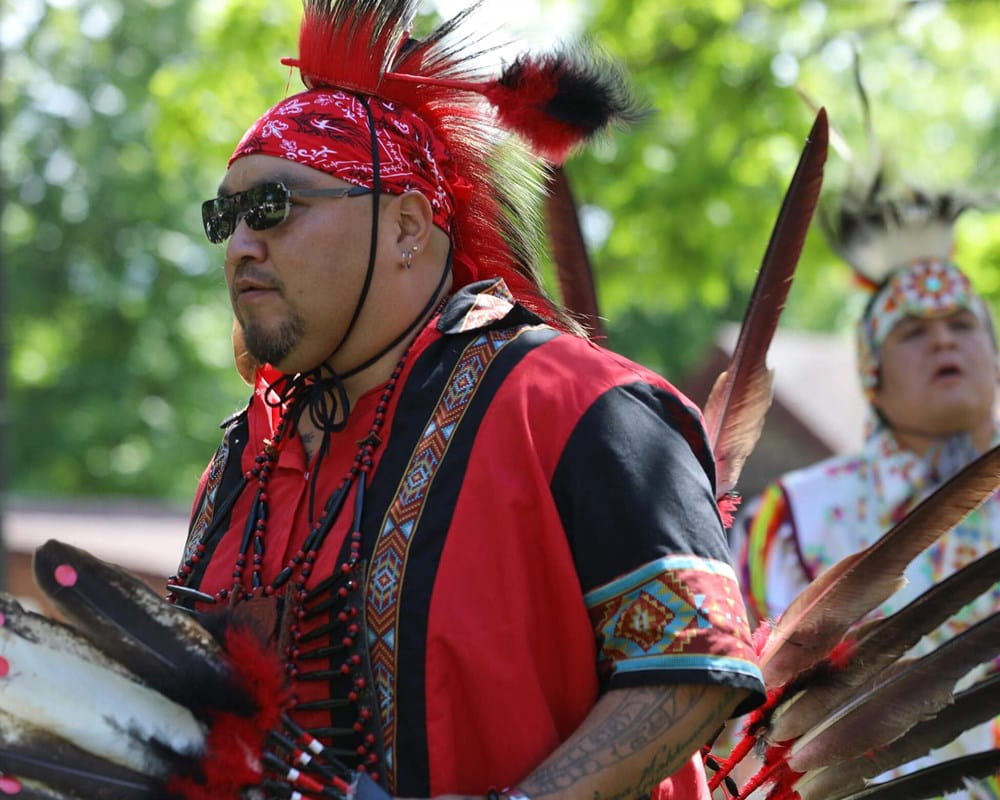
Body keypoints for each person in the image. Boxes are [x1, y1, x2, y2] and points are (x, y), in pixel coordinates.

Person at [164, 1, 765, 798]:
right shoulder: (247, 457)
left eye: (274, 207)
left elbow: (692, 669)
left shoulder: (571, 405)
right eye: (226, 218)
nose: (242, 244)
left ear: (408, 226)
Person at [736, 180, 1000, 794]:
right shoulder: (793, 515)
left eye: (962, 325)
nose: (943, 340)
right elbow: (738, 702)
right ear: (871, 373)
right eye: (913, 332)